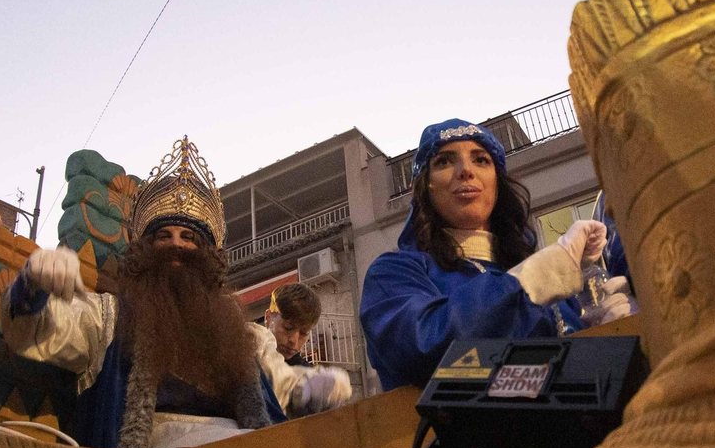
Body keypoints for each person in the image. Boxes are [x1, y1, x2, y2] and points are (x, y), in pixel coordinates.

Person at [0, 137, 271, 448]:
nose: (177, 245)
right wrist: (33, 282)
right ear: (144, 250)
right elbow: (32, 333)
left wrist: (311, 389)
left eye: (189, 237)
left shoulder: (238, 337)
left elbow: (280, 411)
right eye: (163, 235)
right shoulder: (107, 319)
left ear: (208, 255)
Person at [358, 119, 634, 390]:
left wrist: (602, 333)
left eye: (481, 160)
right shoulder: (394, 272)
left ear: (497, 182)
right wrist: (534, 278)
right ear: (425, 186)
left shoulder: (552, 289)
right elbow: (422, 347)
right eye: (443, 161)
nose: (465, 170)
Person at [251, 284, 353, 420]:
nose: (294, 340)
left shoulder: (308, 375)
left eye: (303, 333)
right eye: (288, 328)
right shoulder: (246, 345)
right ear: (268, 318)